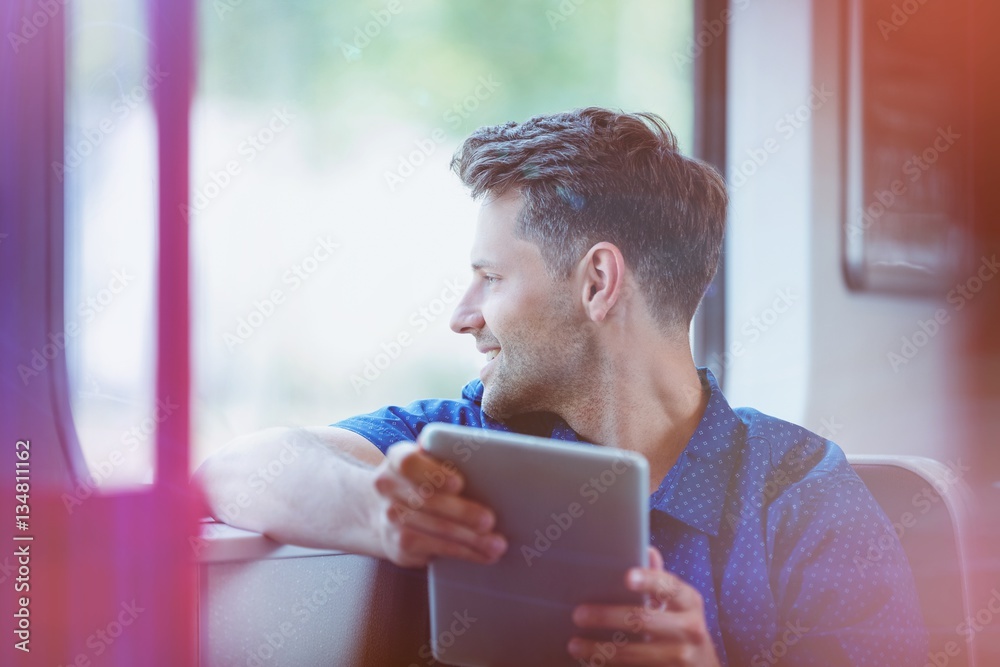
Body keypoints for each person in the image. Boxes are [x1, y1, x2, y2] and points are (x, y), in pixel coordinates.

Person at [195, 108, 928, 665]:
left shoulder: (803, 499)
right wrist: (382, 514)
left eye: (490, 277)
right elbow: (234, 469)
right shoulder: (467, 440)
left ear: (598, 282)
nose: (462, 316)